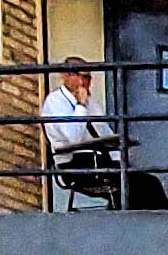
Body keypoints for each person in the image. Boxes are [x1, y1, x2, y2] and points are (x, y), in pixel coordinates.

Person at [39, 64, 120, 210]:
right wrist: (80, 106)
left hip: (98, 161)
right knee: (135, 185)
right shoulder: (56, 101)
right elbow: (73, 136)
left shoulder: (92, 103)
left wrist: (119, 159)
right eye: (82, 76)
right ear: (67, 75)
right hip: (73, 164)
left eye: (88, 78)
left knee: (144, 181)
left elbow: (104, 132)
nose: (85, 82)